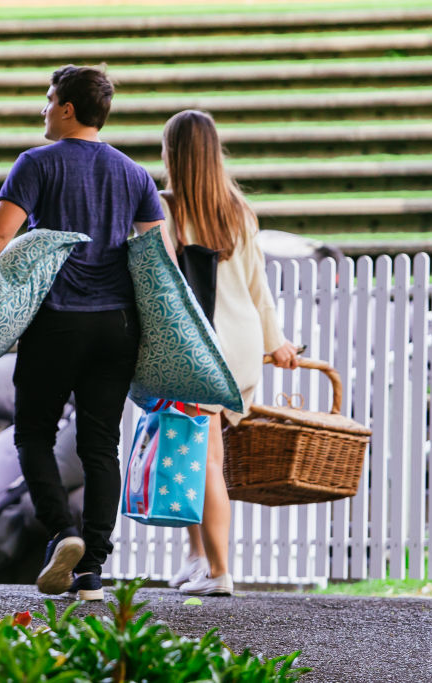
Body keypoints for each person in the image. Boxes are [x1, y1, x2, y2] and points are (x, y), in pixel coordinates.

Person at [0, 65, 176, 601]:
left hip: (56, 320)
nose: (44, 110)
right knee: (101, 447)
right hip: (117, 325)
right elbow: (157, 256)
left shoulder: (37, 163)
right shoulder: (134, 174)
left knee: (32, 433)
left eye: (49, 101)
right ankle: (93, 567)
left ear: (68, 108)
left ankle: (61, 532)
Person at [160, 110, 300, 596]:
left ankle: (220, 571)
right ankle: (197, 558)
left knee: (202, 459)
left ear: (173, 153)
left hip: (199, 348)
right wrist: (276, 343)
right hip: (239, 346)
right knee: (195, 448)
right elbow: (259, 290)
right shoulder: (239, 210)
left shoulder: (168, 209)